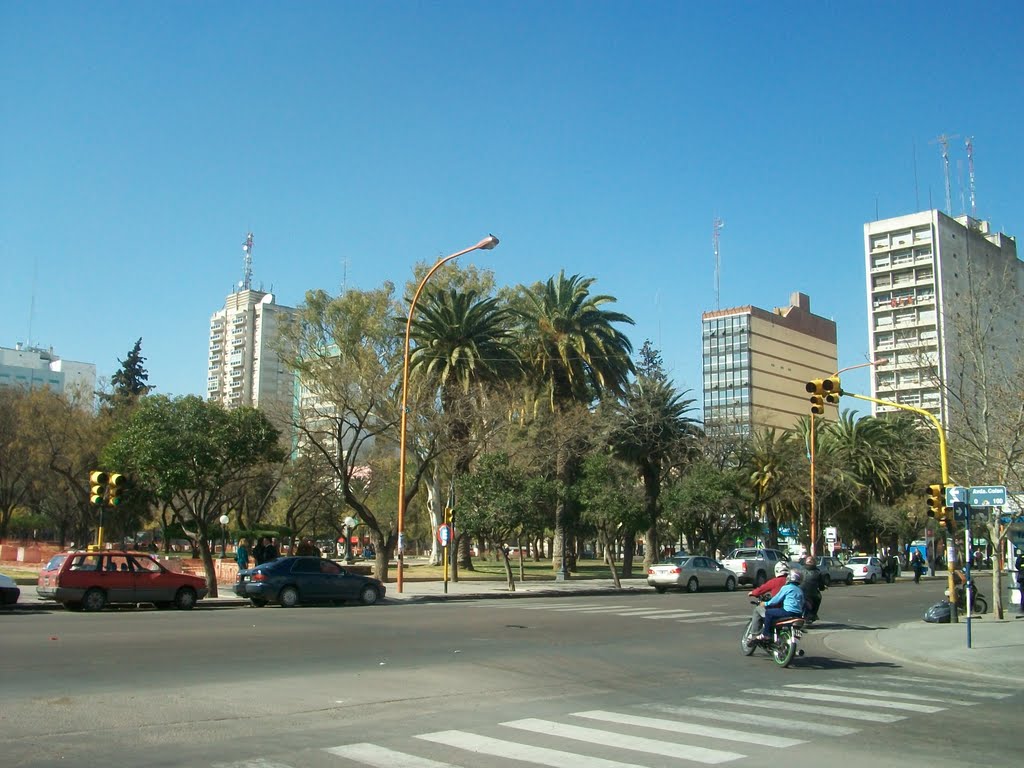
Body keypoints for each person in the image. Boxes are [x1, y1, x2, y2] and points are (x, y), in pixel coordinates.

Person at [746, 561, 790, 640]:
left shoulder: (774, 581)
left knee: (757, 610)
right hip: (791, 611)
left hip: (778, 610)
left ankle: (754, 634)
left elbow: (760, 590)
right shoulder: (792, 582)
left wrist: (752, 593)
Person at [757, 569, 805, 641]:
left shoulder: (786, 588)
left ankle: (766, 634)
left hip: (787, 612)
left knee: (768, 613)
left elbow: (776, 600)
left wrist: (766, 603)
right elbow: (802, 602)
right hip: (798, 614)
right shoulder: (800, 590)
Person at [799, 555, 825, 621]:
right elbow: (821, 585)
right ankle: (813, 613)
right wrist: (822, 588)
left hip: (800, 591)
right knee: (818, 598)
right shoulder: (818, 572)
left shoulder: (800, 570)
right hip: (812, 593)